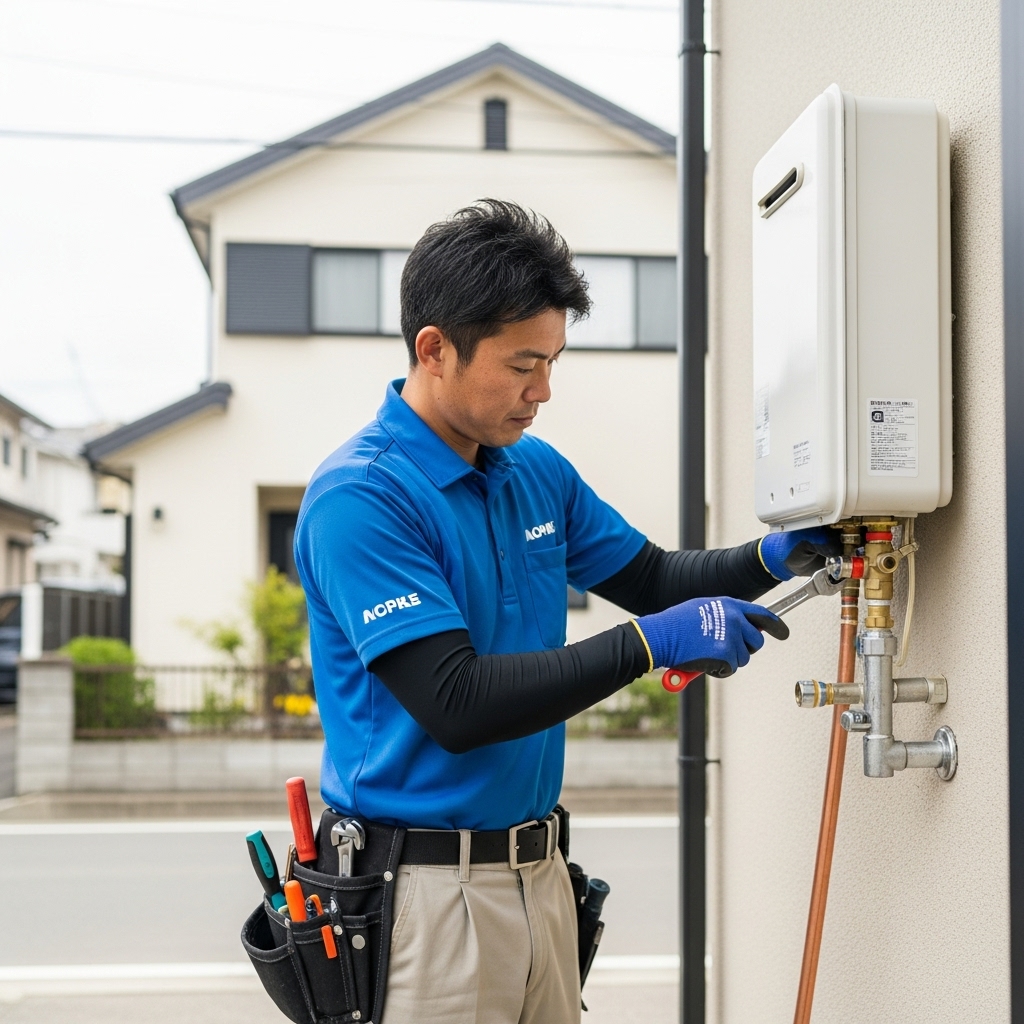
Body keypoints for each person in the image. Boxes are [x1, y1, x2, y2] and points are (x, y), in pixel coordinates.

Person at [294, 200, 837, 1024]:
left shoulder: (532, 470)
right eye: (522, 364)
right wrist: (651, 646)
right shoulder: (361, 499)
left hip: (541, 875)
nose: (542, 390)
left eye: (551, 362)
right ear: (433, 349)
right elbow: (457, 702)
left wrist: (770, 557)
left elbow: (654, 578)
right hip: (424, 900)